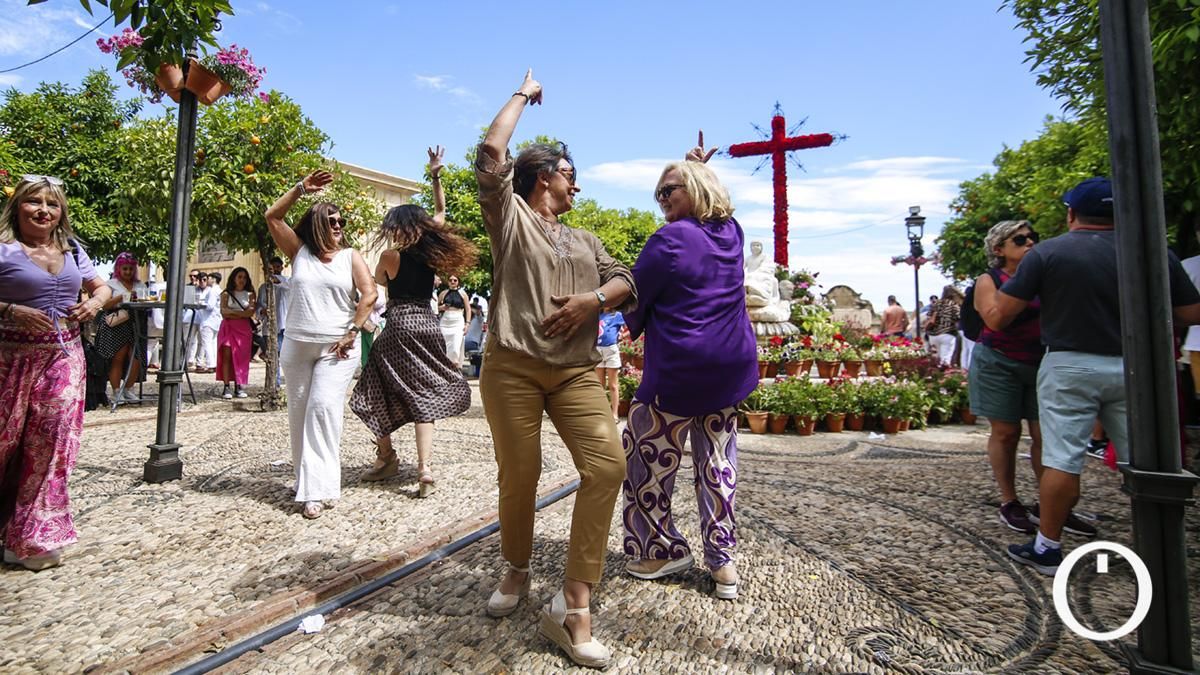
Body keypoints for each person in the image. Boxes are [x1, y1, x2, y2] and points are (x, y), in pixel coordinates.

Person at [476, 70, 635, 669]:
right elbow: (492, 155)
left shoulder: (586, 237)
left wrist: (595, 300)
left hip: (574, 371)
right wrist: (523, 95)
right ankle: (515, 567)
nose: (577, 184)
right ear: (546, 176)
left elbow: (627, 276)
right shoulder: (511, 217)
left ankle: (573, 602)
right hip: (512, 367)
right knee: (521, 474)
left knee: (607, 464)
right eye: (571, 173)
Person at [987, 177, 1200, 574]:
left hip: (1070, 363)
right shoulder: (1155, 251)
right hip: (1138, 365)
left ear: (1071, 214)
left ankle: (1048, 547)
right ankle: (1160, 550)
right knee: (1146, 460)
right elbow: (1191, 313)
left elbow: (1001, 316)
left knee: (1062, 458)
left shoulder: (1048, 253)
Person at [621, 133, 758, 602]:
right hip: (728, 369)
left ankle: (660, 550)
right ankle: (723, 563)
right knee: (718, 464)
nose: (662, 201)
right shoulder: (732, 233)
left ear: (694, 190)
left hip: (679, 369)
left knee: (647, 458)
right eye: (657, 193)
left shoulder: (669, 238)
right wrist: (691, 170)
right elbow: (711, 209)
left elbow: (636, 298)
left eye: (669, 191)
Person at [351, 145, 477, 496]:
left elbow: (374, 284)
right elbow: (440, 210)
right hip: (429, 326)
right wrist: (435, 174)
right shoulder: (432, 254)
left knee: (372, 387)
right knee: (424, 395)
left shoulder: (391, 256)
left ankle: (386, 456)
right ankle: (424, 470)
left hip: (400, 326)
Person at [0, 174, 110, 570]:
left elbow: (102, 288)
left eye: (52, 204)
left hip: (63, 355)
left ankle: (32, 536)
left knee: (50, 445)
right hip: (9, 357)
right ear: (17, 206)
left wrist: (93, 304)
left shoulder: (72, 248)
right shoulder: (4, 248)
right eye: (35, 202)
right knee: (6, 443)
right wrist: (9, 310)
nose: (44, 210)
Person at [265, 170, 378, 520]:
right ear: (317, 225)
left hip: (338, 348)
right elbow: (272, 216)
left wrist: (352, 331)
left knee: (322, 410)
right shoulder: (299, 252)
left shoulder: (350, 257)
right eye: (332, 221)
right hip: (297, 346)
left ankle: (316, 490)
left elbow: (370, 293)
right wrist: (300, 188)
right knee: (299, 416)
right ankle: (309, 482)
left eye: (341, 221)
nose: (338, 226)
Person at [969, 221, 1045, 534]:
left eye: (1032, 238)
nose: (1029, 243)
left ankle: (1050, 503)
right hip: (999, 361)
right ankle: (1009, 500)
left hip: (1041, 360)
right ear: (999, 249)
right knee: (1006, 432)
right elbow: (995, 320)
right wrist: (1025, 286)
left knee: (1046, 434)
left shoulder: (1046, 276)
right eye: (1020, 239)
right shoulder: (989, 280)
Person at [94, 251, 148, 403]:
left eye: (131, 269)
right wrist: (121, 297)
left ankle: (128, 388)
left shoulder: (140, 285)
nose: (128, 272)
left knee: (137, 357)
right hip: (118, 323)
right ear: (119, 269)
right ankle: (116, 391)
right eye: (125, 269)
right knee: (118, 357)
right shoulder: (110, 284)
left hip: (137, 322)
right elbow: (104, 305)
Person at [216, 266, 257, 400]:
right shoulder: (226, 294)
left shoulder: (250, 294)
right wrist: (241, 314)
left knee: (241, 357)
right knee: (227, 356)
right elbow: (224, 312)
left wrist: (233, 313)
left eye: (244, 277)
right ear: (234, 278)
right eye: (239, 277)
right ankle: (226, 385)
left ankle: (239, 385)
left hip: (244, 330)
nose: (242, 280)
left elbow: (250, 312)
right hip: (228, 328)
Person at [257, 255, 290, 386]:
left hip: (283, 325)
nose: (275, 270)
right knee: (272, 356)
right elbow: (259, 305)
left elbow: (284, 284)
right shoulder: (262, 287)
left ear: (282, 267)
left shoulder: (287, 282)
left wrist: (275, 280)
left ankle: (282, 382)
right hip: (268, 327)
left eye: (277, 267)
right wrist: (262, 311)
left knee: (282, 356)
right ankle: (273, 384)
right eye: (271, 268)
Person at [595, 308, 624, 421]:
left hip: (611, 350)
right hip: (598, 350)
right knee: (600, 384)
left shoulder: (617, 315)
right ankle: (602, 412)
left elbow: (628, 328)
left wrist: (621, 336)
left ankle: (615, 414)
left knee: (613, 385)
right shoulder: (598, 315)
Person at [437, 274, 471, 370]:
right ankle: (444, 369)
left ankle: (455, 368)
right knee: (444, 346)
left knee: (455, 348)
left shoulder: (463, 294)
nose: (452, 282)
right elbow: (435, 308)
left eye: (455, 280)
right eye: (450, 280)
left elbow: (468, 309)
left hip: (458, 322)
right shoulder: (443, 293)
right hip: (445, 322)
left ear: (458, 282)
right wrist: (442, 307)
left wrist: (467, 324)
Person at [926, 286, 962, 366]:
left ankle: (934, 374)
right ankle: (943, 376)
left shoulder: (936, 304)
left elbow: (928, 316)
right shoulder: (953, 304)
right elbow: (959, 317)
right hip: (947, 333)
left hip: (933, 335)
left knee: (936, 359)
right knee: (945, 359)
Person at [182, 270, 204, 370]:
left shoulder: (205, 288)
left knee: (201, 341)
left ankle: (199, 362)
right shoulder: (188, 287)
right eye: (190, 276)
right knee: (187, 340)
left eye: (195, 276)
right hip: (189, 317)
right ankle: (185, 361)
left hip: (202, 318)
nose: (192, 278)